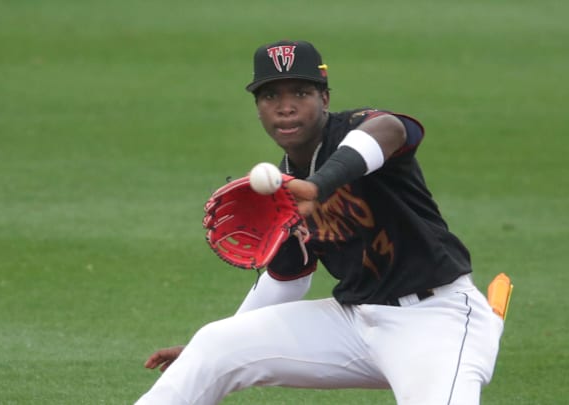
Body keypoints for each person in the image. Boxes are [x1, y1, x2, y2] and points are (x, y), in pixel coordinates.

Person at [136, 39, 504, 405]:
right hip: (354, 325)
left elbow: (390, 130)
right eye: (270, 97)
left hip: (437, 321)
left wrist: (316, 186)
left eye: (300, 92)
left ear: (324, 99)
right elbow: (288, 276)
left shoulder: (358, 131)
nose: (285, 108)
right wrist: (210, 353)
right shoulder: (285, 185)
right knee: (215, 344)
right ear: (258, 109)